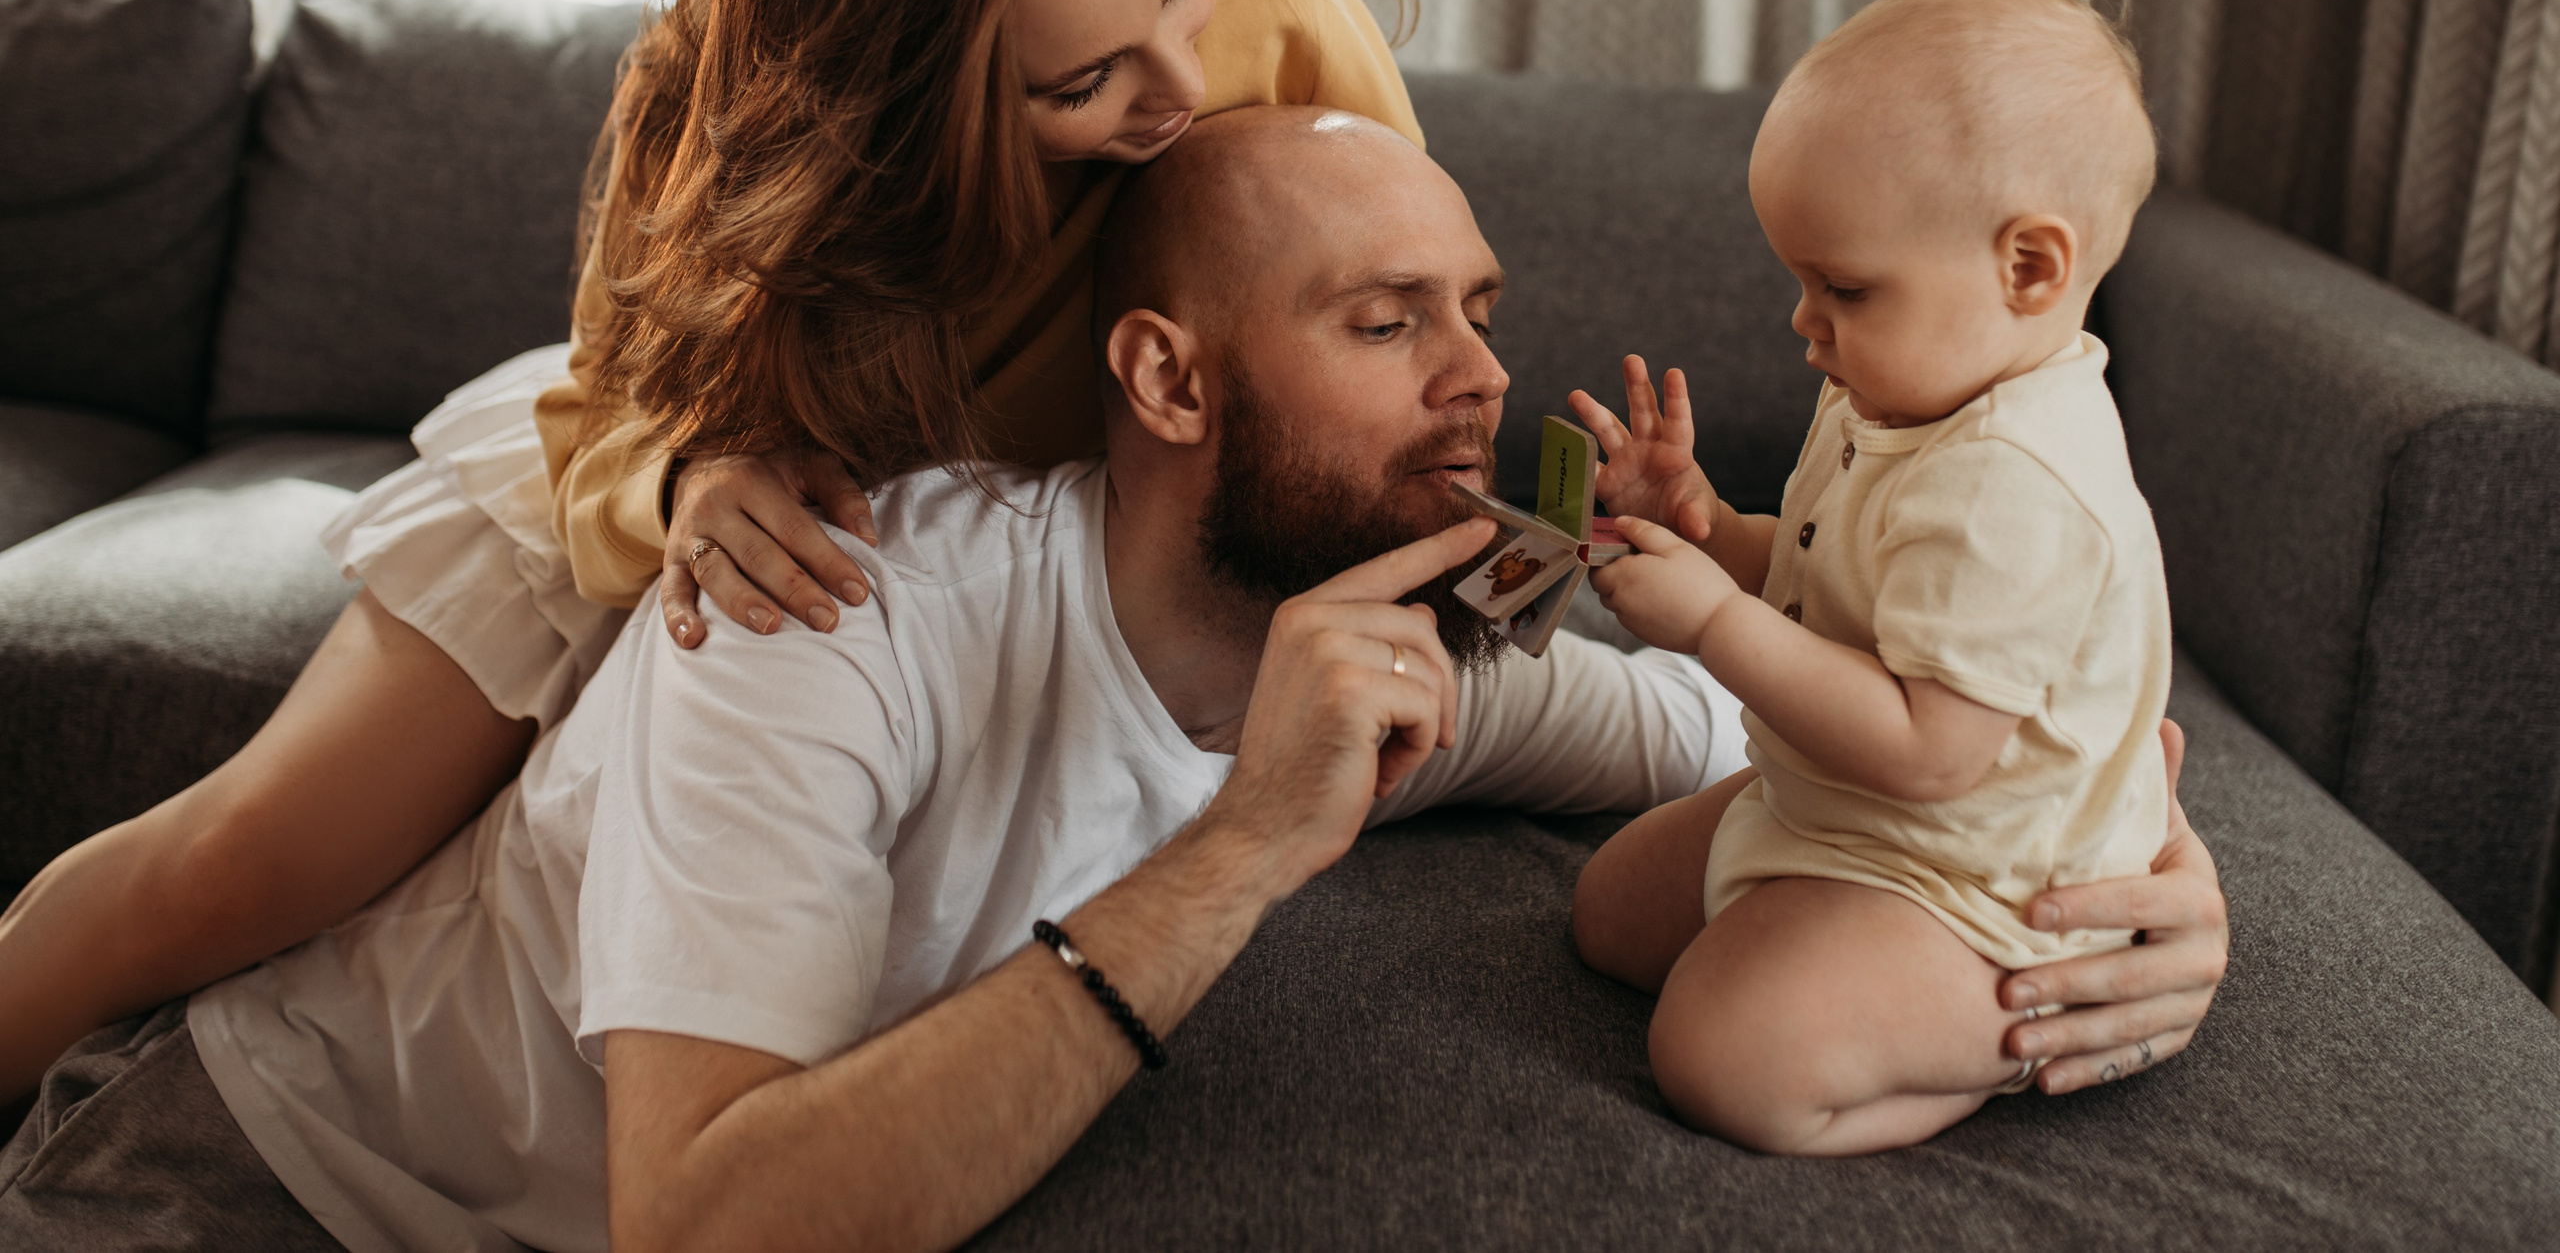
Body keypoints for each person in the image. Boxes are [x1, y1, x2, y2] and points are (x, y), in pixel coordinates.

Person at [0, 109, 2230, 1251]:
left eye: (1474, 303)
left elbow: (1836, 740)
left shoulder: (1419, 646)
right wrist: (1245, 844)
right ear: (1161, 375)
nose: (1480, 380)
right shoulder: (818, 607)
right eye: (1386, 324)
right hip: (267, 1187)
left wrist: (2148, 866)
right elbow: (703, 1225)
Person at [0, 0, 1419, 1106]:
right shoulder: (734, 85)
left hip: (961, 591)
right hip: (660, 499)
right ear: (903, 96)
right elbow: (620, 397)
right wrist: (688, 482)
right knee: (225, 866)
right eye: (1084, 81)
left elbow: (1409, 318)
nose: (1180, 85)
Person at [1570, 0, 2184, 1155]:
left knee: (1721, 1058)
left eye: (1843, 288)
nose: (1805, 324)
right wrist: (1702, 522)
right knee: (1604, 915)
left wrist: (1707, 625)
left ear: (2029, 270)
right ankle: (1845, 968)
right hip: (1830, 808)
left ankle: (2000, 1044)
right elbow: (1818, 584)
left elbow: (1927, 750)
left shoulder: (2016, 483)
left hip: (1977, 879)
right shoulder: (1897, 390)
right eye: (1800, 282)